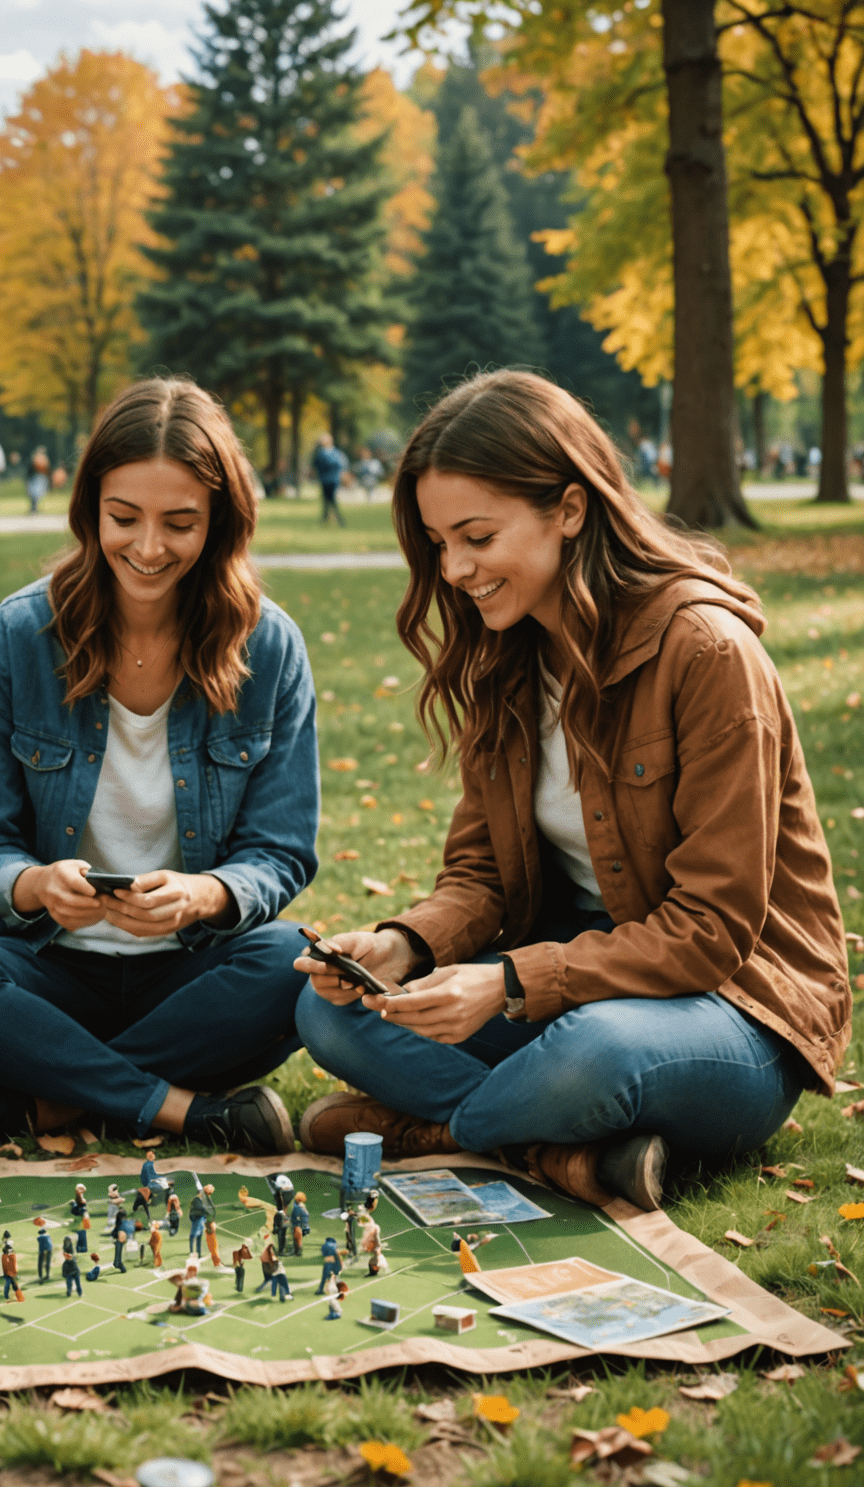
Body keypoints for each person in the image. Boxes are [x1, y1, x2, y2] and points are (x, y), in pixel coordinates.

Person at [292, 370, 848, 1212]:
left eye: (477, 536)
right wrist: (404, 946)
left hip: (733, 1007)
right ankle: (559, 1148)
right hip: (570, 980)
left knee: (594, 1052)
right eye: (440, 543)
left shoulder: (706, 654)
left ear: (571, 510)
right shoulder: (506, 654)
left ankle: (448, 1133)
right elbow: (479, 874)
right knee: (329, 1015)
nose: (454, 570)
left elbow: (712, 930)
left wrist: (509, 983)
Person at [0, 378, 319, 1154]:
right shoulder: (20, 635)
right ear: (90, 508)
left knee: (296, 964)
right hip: (48, 967)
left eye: (181, 523)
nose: (149, 548)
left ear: (220, 522)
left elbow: (282, 851)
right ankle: (182, 1111)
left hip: (194, 974)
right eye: (124, 518)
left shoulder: (268, 646)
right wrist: (35, 886)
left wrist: (205, 894)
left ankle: (50, 1092)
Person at [310, 433, 347, 526]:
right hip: (324, 479)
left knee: (330, 499)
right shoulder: (319, 453)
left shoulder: (336, 453)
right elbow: (315, 464)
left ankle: (332, 519)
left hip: (333, 479)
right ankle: (329, 519)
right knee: (327, 499)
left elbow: (339, 464)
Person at [27, 446, 51, 515]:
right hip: (35, 477)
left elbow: (46, 468)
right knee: (34, 494)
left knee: (37, 494)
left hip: (40, 477)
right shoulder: (35, 458)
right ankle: (34, 508)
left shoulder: (42, 459)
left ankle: (34, 508)